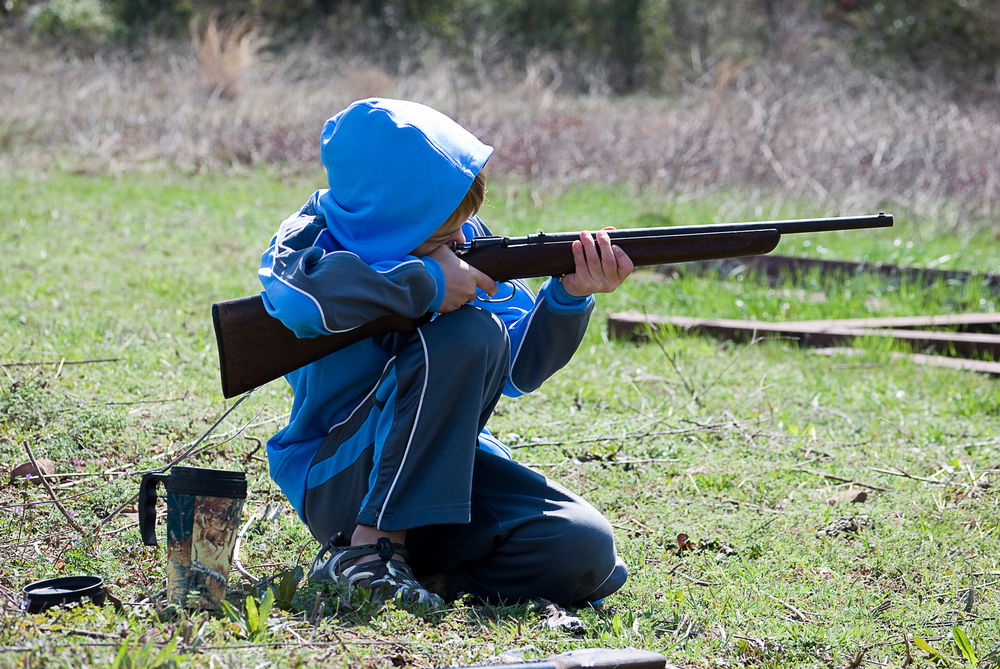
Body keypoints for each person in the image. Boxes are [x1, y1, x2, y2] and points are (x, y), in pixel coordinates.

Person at [258, 97, 634, 609]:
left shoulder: (461, 241)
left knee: (582, 546)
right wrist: (428, 284)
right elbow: (301, 301)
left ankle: (417, 577)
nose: (461, 238)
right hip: (340, 479)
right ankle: (367, 550)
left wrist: (567, 298)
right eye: (441, 229)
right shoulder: (309, 238)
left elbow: (517, 368)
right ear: (394, 211)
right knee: (468, 334)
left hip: (443, 472)